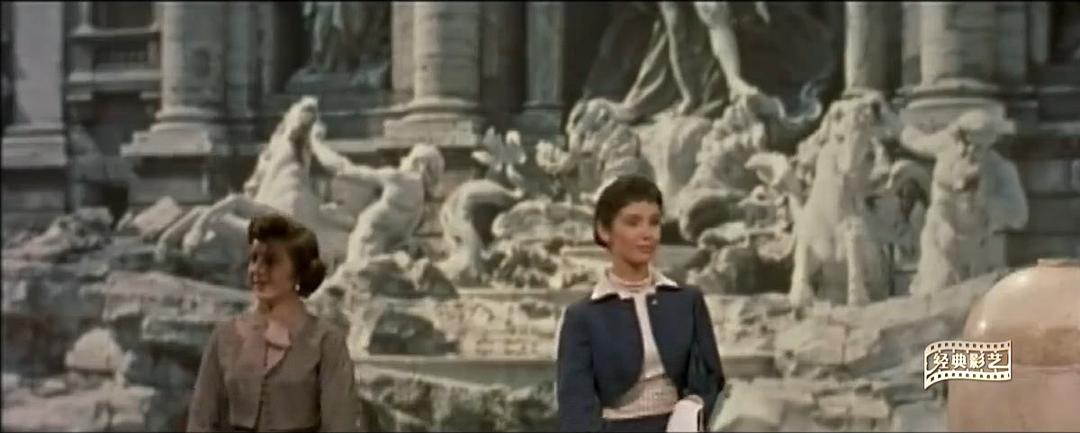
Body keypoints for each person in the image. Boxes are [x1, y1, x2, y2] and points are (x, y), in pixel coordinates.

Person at [556, 175, 725, 432]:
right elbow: (575, 406)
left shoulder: (687, 301)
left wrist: (691, 409)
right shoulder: (582, 317)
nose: (647, 234)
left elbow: (711, 379)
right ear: (604, 231)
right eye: (633, 222)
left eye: (654, 222)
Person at [187, 214, 359, 432]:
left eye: (270, 261)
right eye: (254, 259)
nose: (257, 270)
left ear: (298, 271)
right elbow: (201, 421)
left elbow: (341, 425)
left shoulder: (326, 341)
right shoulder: (224, 336)